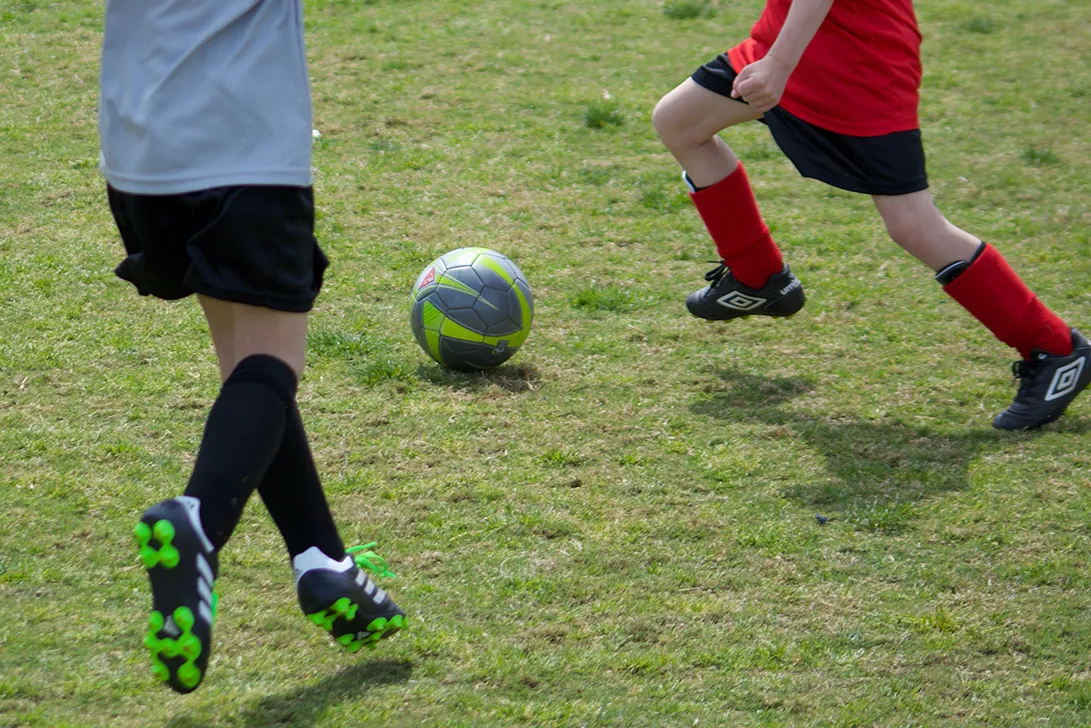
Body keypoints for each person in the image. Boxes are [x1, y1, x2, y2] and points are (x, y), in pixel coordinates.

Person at [98, 0, 405, 694]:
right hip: (243, 141)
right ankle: (198, 519)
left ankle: (322, 560)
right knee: (271, 366)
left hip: (138, 149)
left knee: (245, 366)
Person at [651, 0, 1088, 430]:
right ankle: (758, 277)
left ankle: (1054, 348)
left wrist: (779, 65)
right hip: (790, 42)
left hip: (856, 60)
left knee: (913, 223)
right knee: (680, 120)